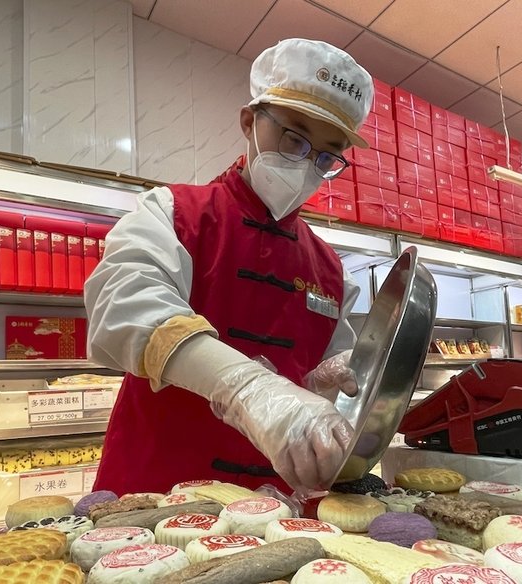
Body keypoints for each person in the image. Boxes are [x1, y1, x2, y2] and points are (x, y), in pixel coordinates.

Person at [84, 38, 372, 496]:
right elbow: (123, 312)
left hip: (279, 513)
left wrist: (316, 384)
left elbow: (318, 397)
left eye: (326, 156)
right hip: (156, 501)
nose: (306, 165)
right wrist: (247, 389)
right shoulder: (173, 214)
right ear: (249, 122)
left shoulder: (334, 272)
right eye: (294, 137)